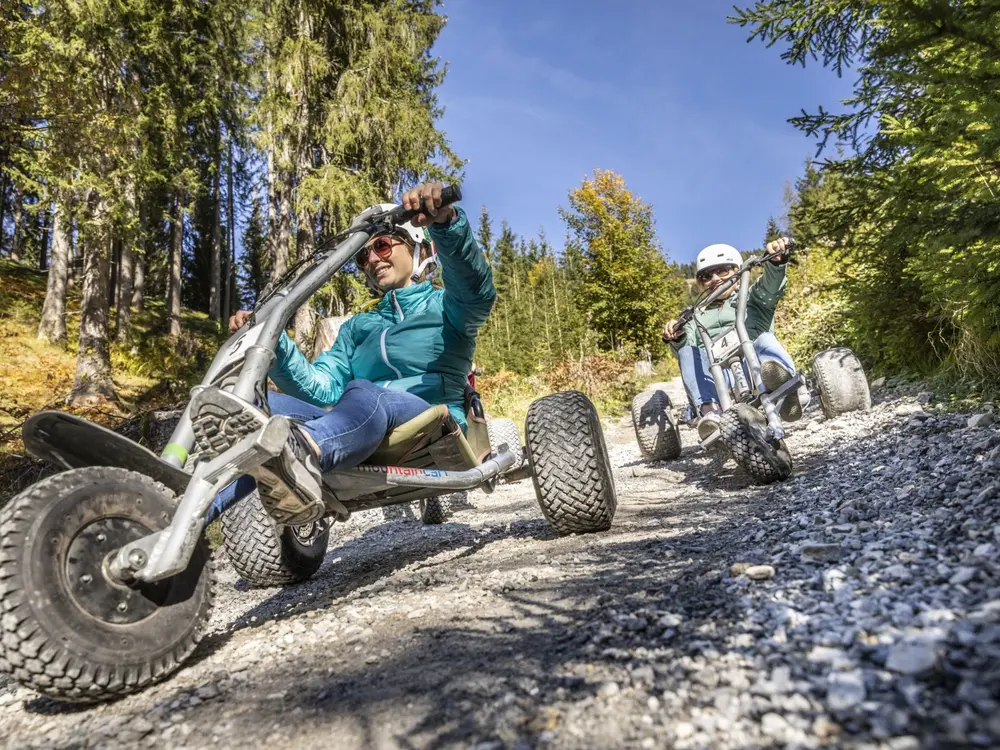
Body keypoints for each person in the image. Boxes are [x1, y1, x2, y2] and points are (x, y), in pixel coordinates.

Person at [194, 182, 495, 524]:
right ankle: (186, 514)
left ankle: (303, 454)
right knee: (251, 406)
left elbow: (475, 288)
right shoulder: (357, 327)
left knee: (365, 391)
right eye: (362, 256)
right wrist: (274, 341)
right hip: (356, 425)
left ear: (418, 248)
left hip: (429, 420)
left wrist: (446, 224)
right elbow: (322, 388)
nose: (371, 260)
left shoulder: (448, 307)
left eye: (382, 245)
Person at [662, 237, 807, 440]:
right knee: (687, 352)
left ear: (737, 272)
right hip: (720, 378)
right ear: (700, 283)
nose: (715, 279)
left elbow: (770, 289)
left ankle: (783, 387)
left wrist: (776, 262)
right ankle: (710, 412)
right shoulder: (696, 317)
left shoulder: (752, 297)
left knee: (763, 340)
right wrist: (677, 337)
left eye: (723, 270)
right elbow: (690, 355)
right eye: (706, 276)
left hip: (757, 367)